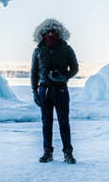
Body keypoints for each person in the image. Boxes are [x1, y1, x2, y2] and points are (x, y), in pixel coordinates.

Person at [31, 18, 79, 164]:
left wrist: (64, 77)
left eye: (54, 31)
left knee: (64, 121)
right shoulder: (38, 51)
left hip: (61, 90)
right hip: (44, 90)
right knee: (46, 122)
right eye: (47, 31)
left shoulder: (66, 49)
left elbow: (75, 68)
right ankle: (47, 152)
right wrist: (34, 91)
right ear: (42, 33)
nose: (50, 34)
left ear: (59, 32)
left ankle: (68, 153)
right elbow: (34, 71)